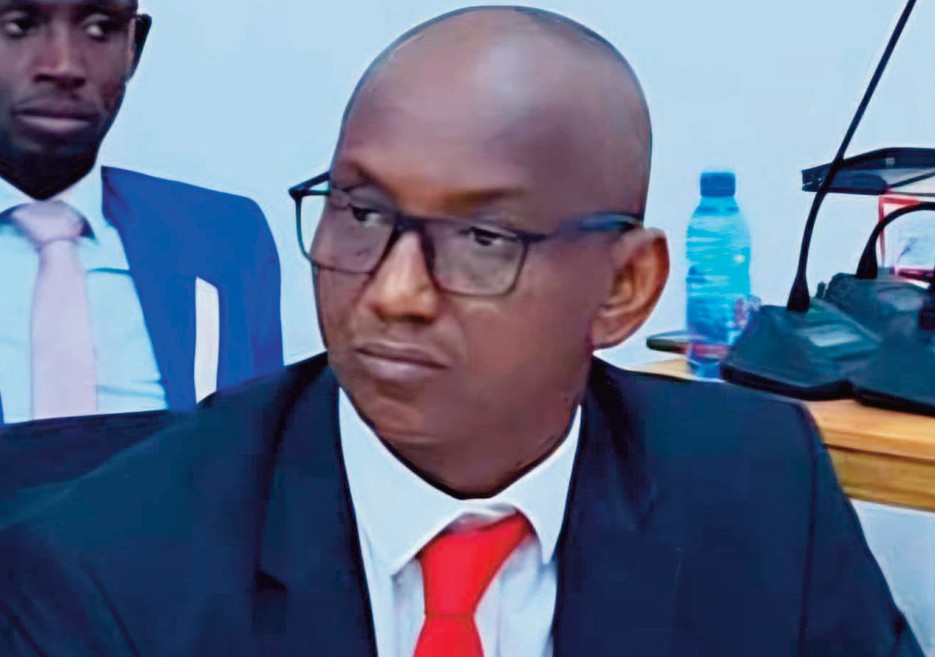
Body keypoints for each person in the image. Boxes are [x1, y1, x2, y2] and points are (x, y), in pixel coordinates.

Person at [0, 6, 923, 657]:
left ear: (625, 286)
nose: (395, 292)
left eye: (484, 238)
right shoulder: (108, 564)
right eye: (361, 214)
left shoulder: (760, 487)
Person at [0, 0, 283, 426]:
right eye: (19, 26)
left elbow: (260, 448)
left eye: (100, 28)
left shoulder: (223, 239)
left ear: (135, 45)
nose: (63, 66)